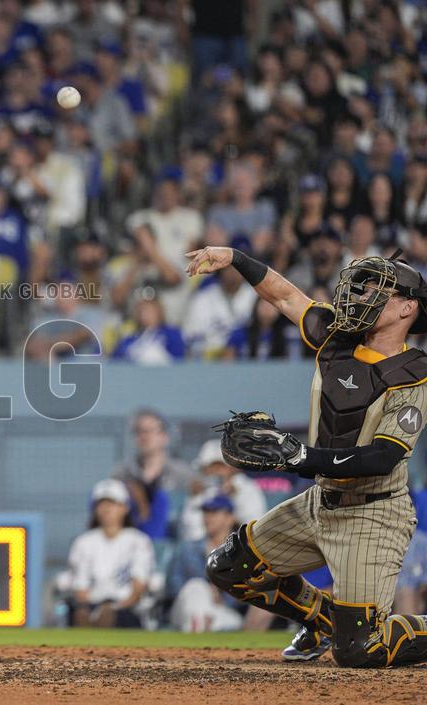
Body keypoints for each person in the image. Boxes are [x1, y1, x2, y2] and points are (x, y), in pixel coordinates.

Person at [186, 243, 427, 667]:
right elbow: (284, 296)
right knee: (229, 567)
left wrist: (300, 458)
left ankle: (352, 630)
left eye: (377, 291)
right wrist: (236, 258)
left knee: (360, 651)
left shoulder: (414, 373)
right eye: (363, 287)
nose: (360, 295)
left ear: (408, 308)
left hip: (373, 514)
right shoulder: (335, 334)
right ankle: (322, 620)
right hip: (320, 501)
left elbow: (383, 457)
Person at [64, 478, 155, 628]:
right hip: (92, 605)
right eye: (102, 503)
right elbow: (80, 589)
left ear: (124, 508)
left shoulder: (139, 541)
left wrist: (113, 608)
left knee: (110, 615)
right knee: (81, 614)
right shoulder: (83, 542)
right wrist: (94, 611)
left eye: (112, 503)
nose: (107, 509)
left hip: (126, 608)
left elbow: (138, 588)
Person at [167, 495, 247, 632]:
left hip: (223, 612)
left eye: (214, 512)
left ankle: (196, 638)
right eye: (206, 512)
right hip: (186, 608)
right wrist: (207, 589)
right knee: (197, 586)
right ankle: (200, 629)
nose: (208, 517)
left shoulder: (242, 554)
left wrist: (221, 595)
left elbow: (246, 593)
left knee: (211, 619)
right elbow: (172, 587)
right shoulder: (187, 548)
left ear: (230, 518)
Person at [113, 409, 194, 539]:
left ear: (165, 436)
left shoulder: (183, 474)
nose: (144, 436)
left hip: (175, 546)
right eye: (139, 431)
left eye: (149, 431)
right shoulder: (122, 474)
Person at [179, 439, 267, 542]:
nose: (216, 472)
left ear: (232, 468)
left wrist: (237, 497)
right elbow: (191, 535)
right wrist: (195, 498)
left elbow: (255, 529)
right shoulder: (200, 490)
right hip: (206, 550)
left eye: (220, 466)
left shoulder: (247, 488)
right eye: (211, 467)